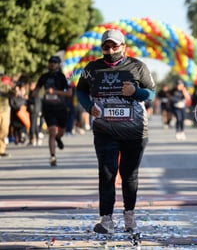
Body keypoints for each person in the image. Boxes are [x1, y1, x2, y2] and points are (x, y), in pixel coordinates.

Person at [76, 29, 155, 234]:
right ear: (101, 48)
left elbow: (152, 94)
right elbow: (80, 90)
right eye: (106, 47)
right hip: (104, 130)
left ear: (124, 47)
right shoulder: (91, 68)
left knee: (129, 175)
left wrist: (136, 92)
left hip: (134, 132)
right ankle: (106, 220)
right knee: (107, 173)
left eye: (114, 46)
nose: (110, 50)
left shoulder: (138, 66)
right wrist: (88, 107)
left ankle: (129, 216)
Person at [33, 56, 72, 166]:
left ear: (58, 64)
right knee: (51, 132)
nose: (52, 64)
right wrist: (35, 92)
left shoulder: (62, 77)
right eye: (50, 62)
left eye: (55, 62)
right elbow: (37, 88)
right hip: (48, 108)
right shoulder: (44, 77)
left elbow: (69, 93)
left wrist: (54, 92)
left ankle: (58, 138)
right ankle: (52, 156)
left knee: (61, 131)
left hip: (60, 107)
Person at [0, 71, 13, 157]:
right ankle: (1, 150)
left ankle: (1, 149)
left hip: (4, 110)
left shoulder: (5, 86)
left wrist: (14, 88)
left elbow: (13, 93)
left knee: (4, 130)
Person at [27, 81, 42, 146]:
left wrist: (27, 99)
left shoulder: (34, 93)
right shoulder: (33, 92)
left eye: (31, 86)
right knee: (35, 125)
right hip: (34, 110)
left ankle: (33, 139)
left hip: (34, 110)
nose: (30, 87)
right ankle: (36, 138)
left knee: (33, 125)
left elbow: (36, 102)